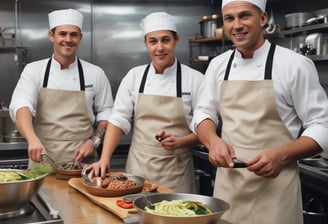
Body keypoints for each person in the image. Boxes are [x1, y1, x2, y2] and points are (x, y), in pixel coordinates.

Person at [192, 0, 328, 223]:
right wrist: (212, 142)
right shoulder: (218, 65)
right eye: (229, 18)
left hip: (276, 190)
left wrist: (282, 155)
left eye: (244, 16)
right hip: (229, 188)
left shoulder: (295, 65)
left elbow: (322, 125)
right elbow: (203, 112)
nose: (237, 25)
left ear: (262, 18)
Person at [86, 12, 204, 193]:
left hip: (177, 173)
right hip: (138, 171)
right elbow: (118, 120)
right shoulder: (135, 76)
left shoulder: (195, 79)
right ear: (145, 43)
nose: (159, 47)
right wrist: (104, 158)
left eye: (166, 40)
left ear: (176, 40)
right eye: (153, 41)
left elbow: (205, 128)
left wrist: (180, 141)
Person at [9, 9, 113, 165]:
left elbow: (106, 112)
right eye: (62, 34)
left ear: (80, 38)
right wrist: (32, 139)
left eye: (73, 34)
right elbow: (22, 105)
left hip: (84, 162)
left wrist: (94, 142)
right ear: (52, 35)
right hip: (43, 158)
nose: (68, 39)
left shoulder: (96, 73)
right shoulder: (34, 70)